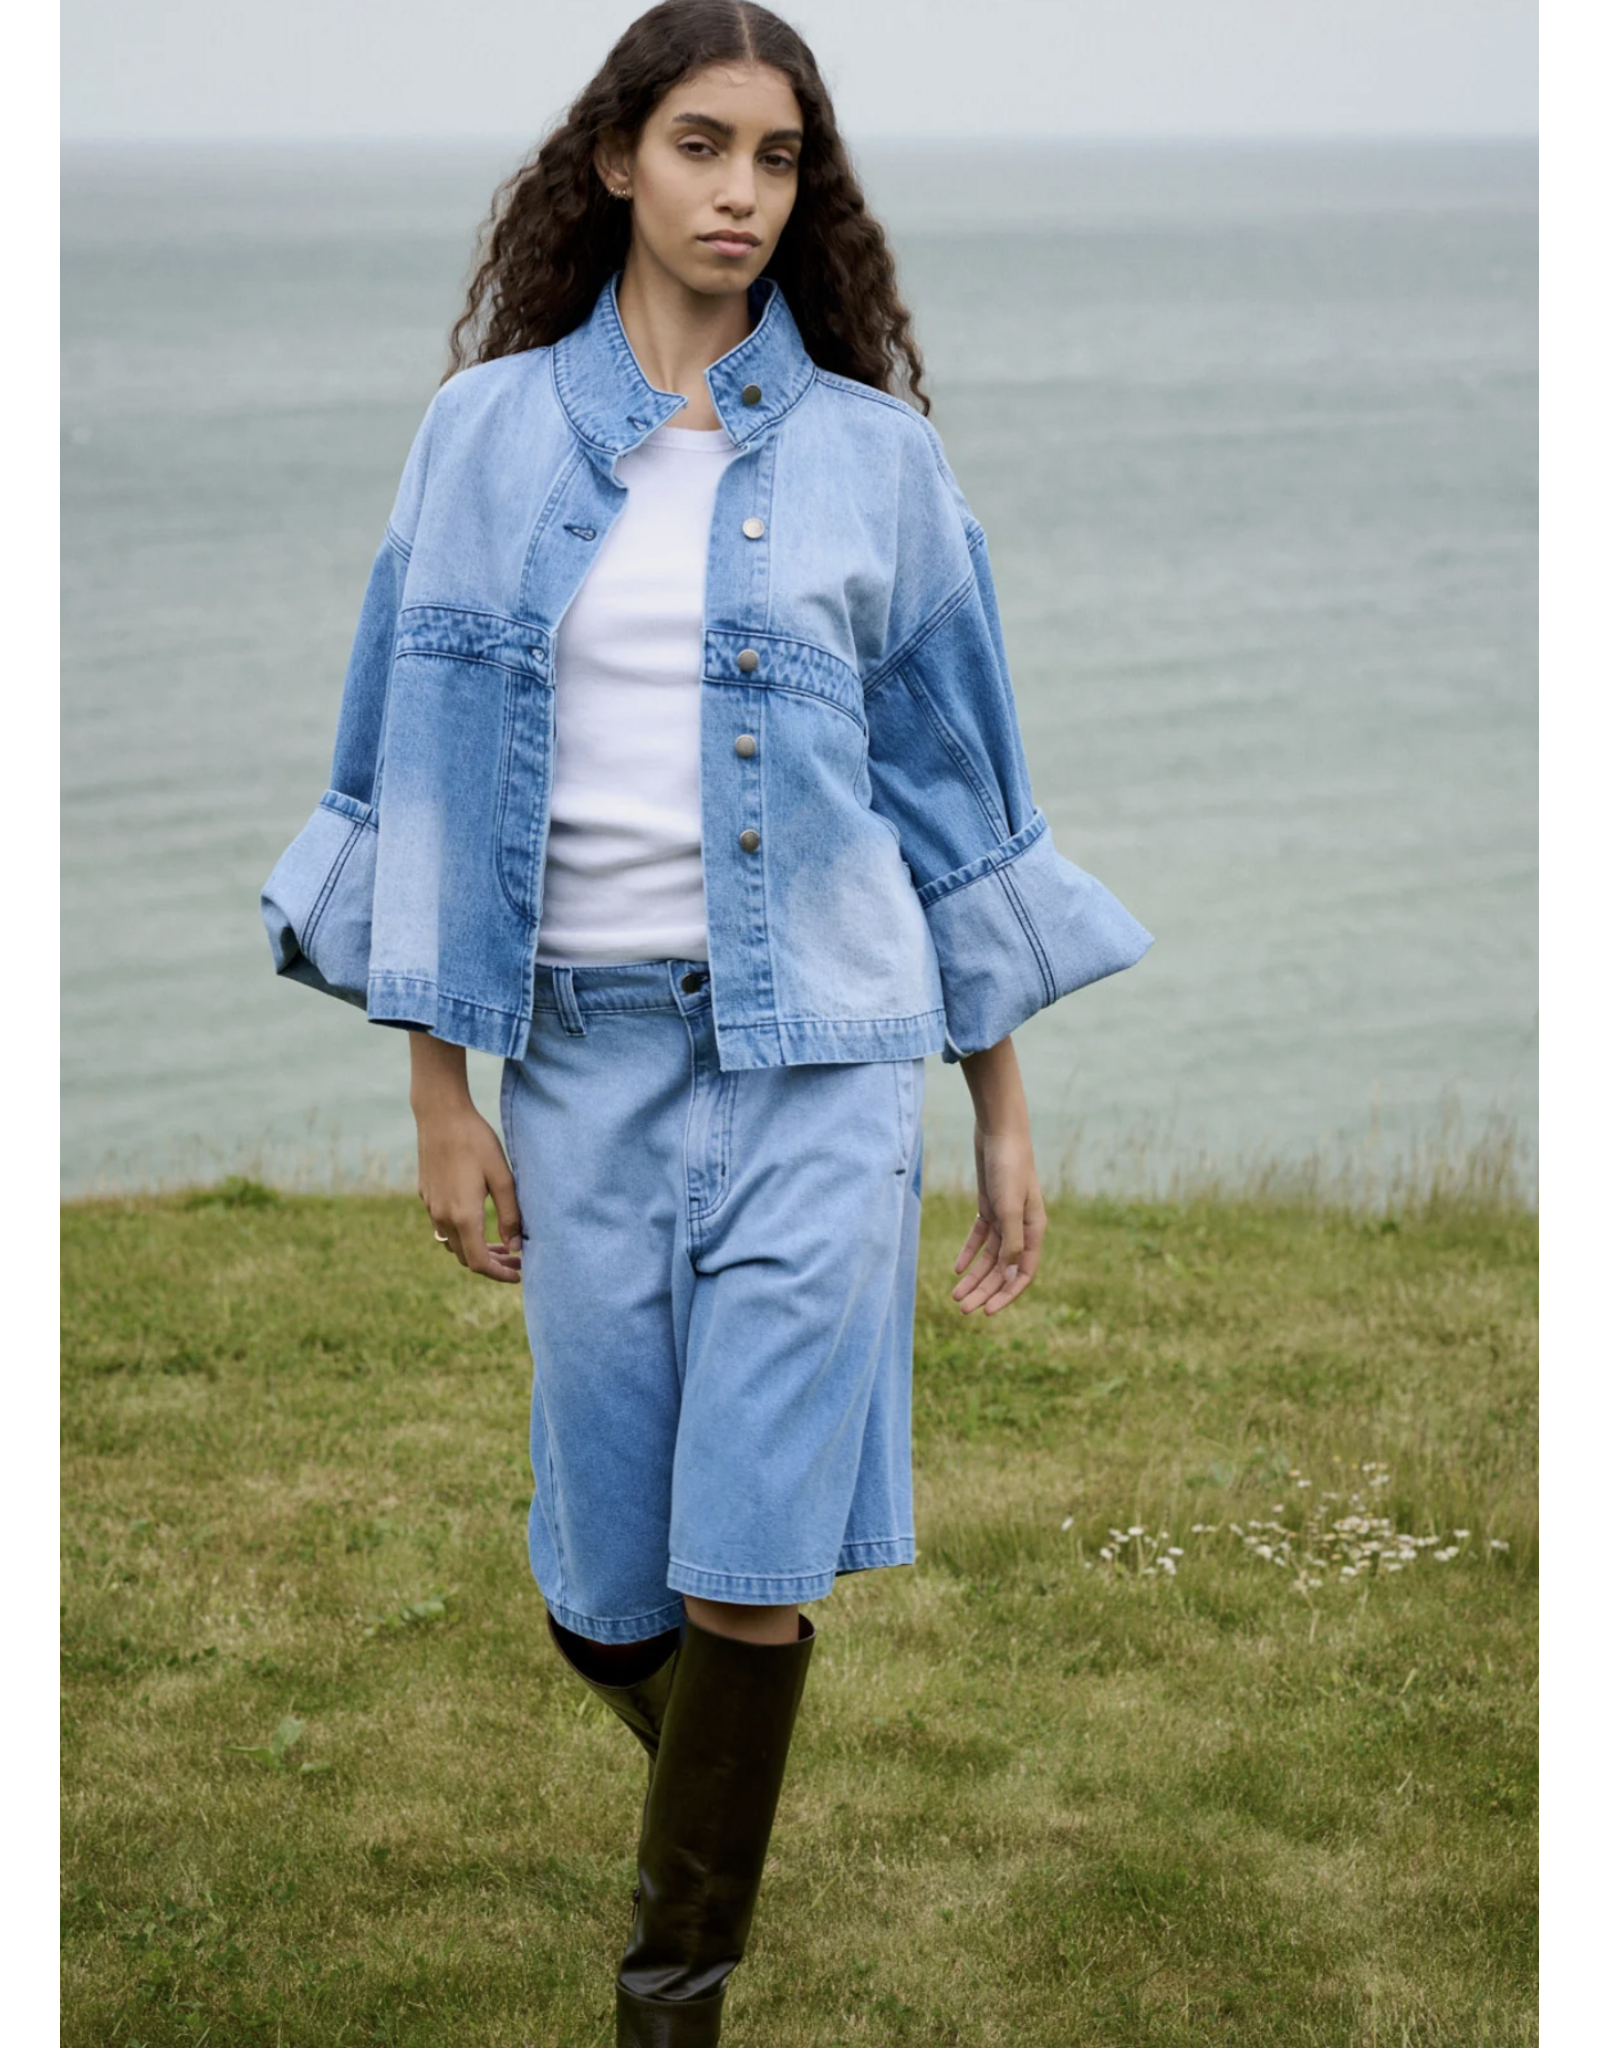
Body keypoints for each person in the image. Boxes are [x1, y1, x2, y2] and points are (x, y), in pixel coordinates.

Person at [262, 2, 1150, 2038]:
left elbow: (954, 801)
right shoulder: (481, 435)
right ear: (614, 162)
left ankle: (670, 2001)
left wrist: (1000, 1104)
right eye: (698, 145)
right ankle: (713, 1795)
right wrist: (441, 1091)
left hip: (824, 1060)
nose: (739, 192)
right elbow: (405, 770)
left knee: (750, 1566)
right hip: (581, 1066)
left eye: (775, 156)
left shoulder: (877, 463)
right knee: (607, 1595)